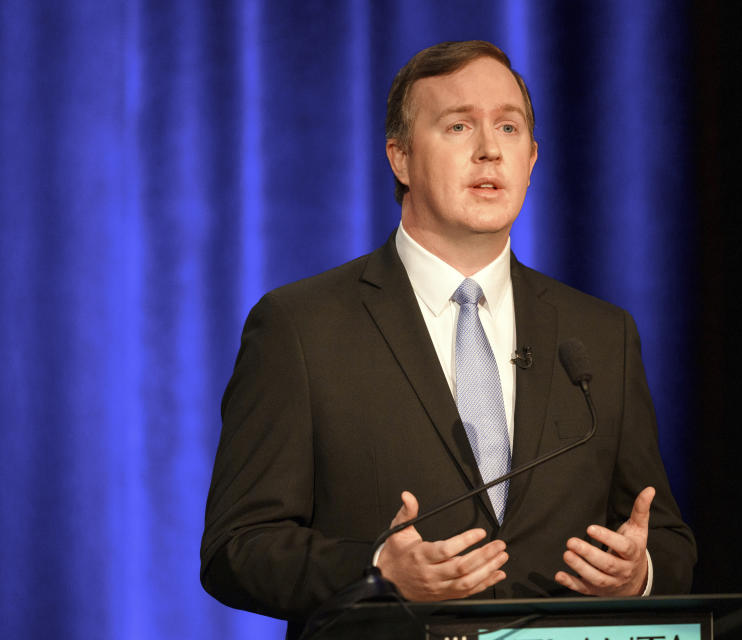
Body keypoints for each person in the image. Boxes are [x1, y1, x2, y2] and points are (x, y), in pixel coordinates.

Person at [200, 40, 696, 638]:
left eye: (508, 128)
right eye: (459, 125)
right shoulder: (300, 327)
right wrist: (375, 570)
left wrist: (637, 574)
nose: (489, 150)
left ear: (532, 157)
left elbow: (663, 536)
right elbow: (237, 548)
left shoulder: (600, 334)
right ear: (401, 157)